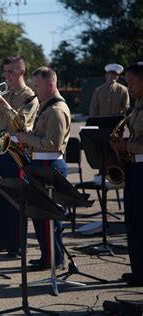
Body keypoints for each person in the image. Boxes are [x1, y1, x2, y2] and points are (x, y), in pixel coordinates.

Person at [0, 56, 39, 257]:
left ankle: (17, 242)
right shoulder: (6, 92)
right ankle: (2, 239)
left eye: (11, 72)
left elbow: (21, 122)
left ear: (21, 72)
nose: (6, 76)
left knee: (15, 197)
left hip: (17, 150)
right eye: (5, 72)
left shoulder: (29, 96)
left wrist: (1, 101)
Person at [15, 66, 71, 271]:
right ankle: (47, 256)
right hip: (40, 162)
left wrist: (25, 138)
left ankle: (54, 259)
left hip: (49, 163)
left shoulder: (56, 110)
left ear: (50, 84)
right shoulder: (46, 106)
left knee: (49, 217)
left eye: (37, 86)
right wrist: (28, 132)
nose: (34, 89)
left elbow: (53, 143)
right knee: (40, 215)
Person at [111, 61, 143, 287]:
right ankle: (138, 271)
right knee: (132, 222)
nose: (129, 86)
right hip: (135, 168)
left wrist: (126, 147)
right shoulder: (137, 104)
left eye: (132, 82)